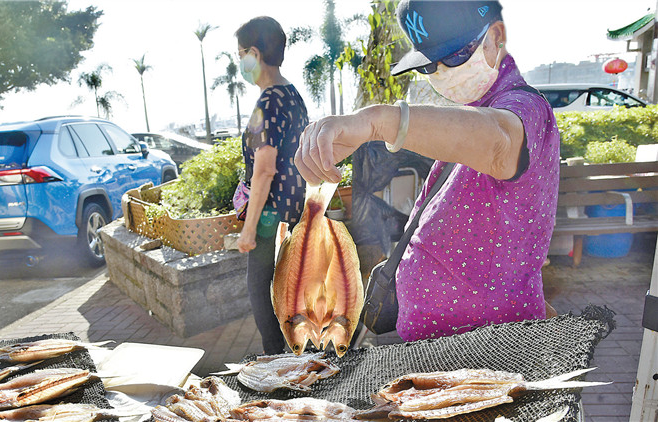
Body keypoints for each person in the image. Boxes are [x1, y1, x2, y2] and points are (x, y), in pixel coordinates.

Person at [295, 0, 560, 342]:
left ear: (496, 36)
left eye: (454, 56)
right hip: (435, 343)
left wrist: (378, 121)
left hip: (484, 348)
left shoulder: (525, 107)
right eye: (429, 65)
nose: (443, 73)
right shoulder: (473, 111)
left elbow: (500, 143)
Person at [235, 16, 309, 355]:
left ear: (253, 53)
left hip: (269, 222)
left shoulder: (266, 103)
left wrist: (249, 231)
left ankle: (278, 373)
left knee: (263, 299)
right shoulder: (293, 96)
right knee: (292, 300)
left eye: (240, 54)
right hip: (295, 215)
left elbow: (263, 171)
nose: (240, 62)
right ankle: (304, 369)